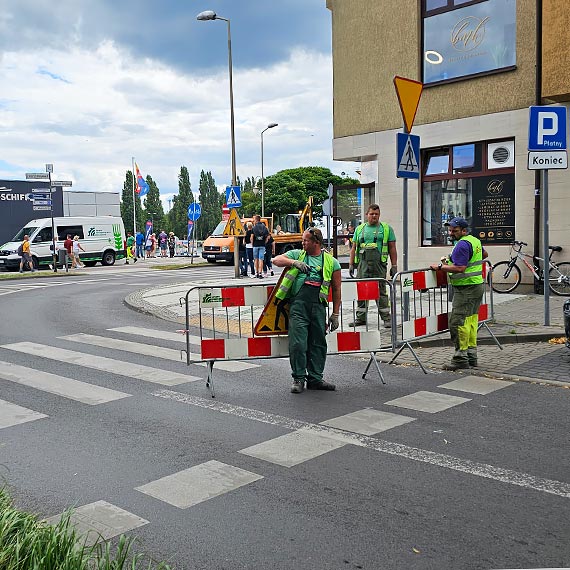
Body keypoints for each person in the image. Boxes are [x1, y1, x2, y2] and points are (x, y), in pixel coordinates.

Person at [273, 227, 342, 393]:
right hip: (298, 306)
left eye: (306, 240)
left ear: (316, 242)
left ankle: (315, 379)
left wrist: (335, 314)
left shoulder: (332, 262)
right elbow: (276, 260)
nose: (302, 242)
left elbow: (337, 289)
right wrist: (293, 263)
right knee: (297, 343)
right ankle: (298, 379)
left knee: (318, 344)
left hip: (318, 308)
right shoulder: (298, 255)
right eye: (303, 240)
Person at [430, 217, 488, 370]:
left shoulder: (462, 244)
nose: (451, 233)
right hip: (476, 286)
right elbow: (485, 254)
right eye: (450, 230)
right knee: (470, 322)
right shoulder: (474, 240)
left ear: (464, 230)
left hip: (466, 289)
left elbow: (460, 268)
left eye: (454, 231)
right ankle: (471, 356)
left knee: (458, 323)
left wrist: (440, 267)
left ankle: (460, 358)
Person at [348, 204, 397, 328]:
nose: (374, 216)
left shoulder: (386, 229)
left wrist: (394, 265)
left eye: (376, 214)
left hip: (379, 265)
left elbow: (392, 248)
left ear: (379, 215)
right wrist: (351, 264)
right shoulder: (359, 229)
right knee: (362, 291)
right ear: (367, 215)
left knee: (380, 291)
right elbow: (353, 248)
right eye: (371, 214)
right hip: (362, 265)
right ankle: (360, 318)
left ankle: (386, 318)